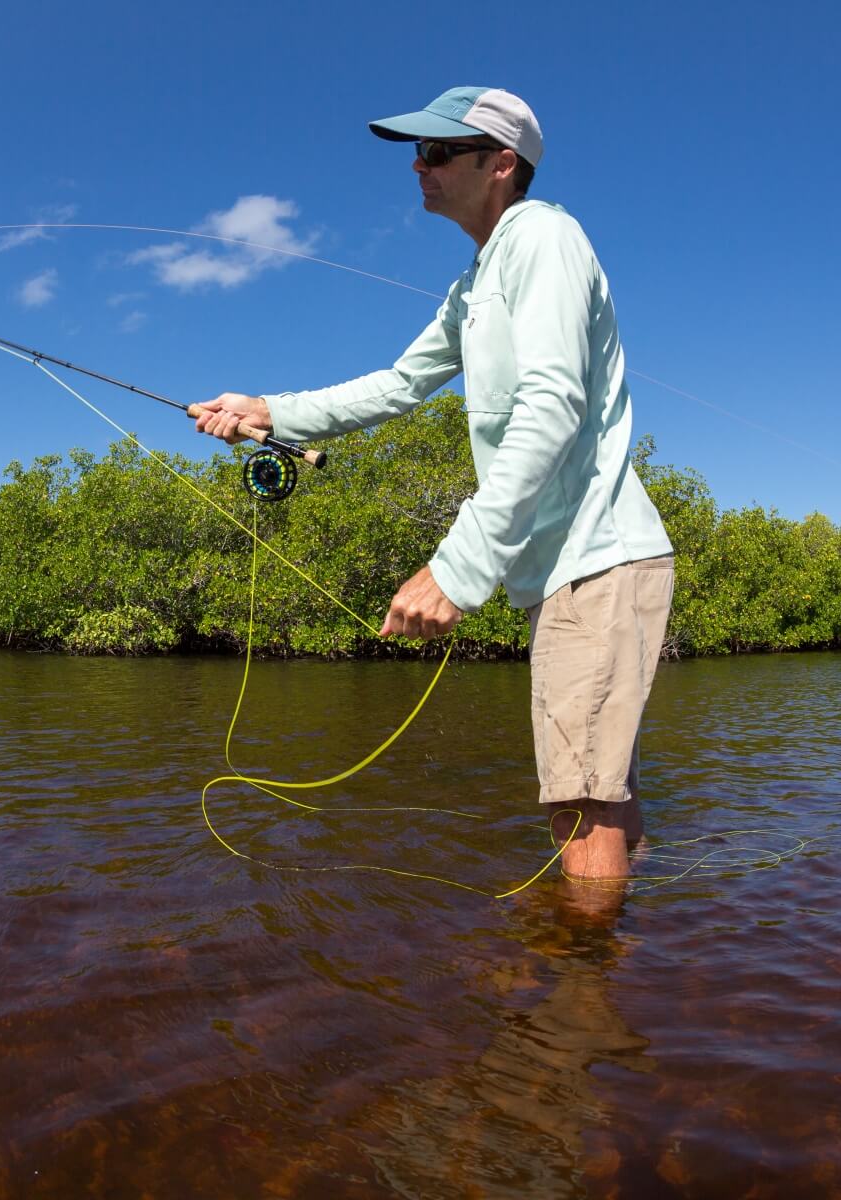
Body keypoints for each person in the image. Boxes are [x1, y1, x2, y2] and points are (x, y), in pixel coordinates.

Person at [195, 87, 674, 883]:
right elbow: (394, 385)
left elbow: (552, 405)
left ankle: (578, 996)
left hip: (598, 559)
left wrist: (457, 566)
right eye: (419, 152)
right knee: (598, 791)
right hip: (568, 570)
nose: (420, 166)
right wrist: (268, 409)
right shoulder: (476, 283)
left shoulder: (543, 236)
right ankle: (628, 960)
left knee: (577, 801)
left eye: (440, 152)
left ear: (502, 164)